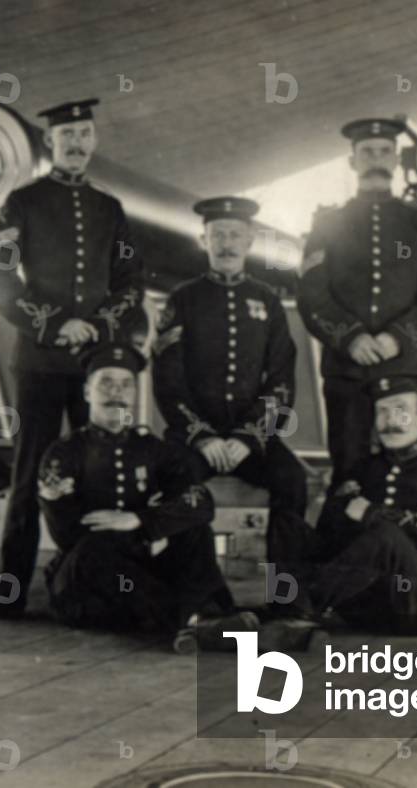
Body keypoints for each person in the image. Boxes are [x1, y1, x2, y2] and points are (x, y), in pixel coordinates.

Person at [0, 98, 145, 619]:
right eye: (66, 134)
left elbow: (130, 284)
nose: (76, 143)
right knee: (29, 477)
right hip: (40, 363)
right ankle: (8, 594)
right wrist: (54, 325)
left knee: (100, 474)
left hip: (97, 366)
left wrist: (96, 327)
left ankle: (93, 588)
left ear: (94, 141)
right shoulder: (19, 205)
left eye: (84, 134)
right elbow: (0, 279)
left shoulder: (109, 209)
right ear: (50, 142)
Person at [39, 343, 257, 653]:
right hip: (89, 589)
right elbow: (67, 536)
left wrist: (140, 520)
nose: (117, 391)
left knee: (194, 530)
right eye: (106, 382)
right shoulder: (63, 453)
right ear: (87, 392)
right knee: (93, 548)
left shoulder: (154, 449)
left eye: (126, 384)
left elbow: (200, 503)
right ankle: (198, 621)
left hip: (141, 576)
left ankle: (204, 620)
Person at [298, 117, 417, 485]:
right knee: (349, 468)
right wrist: (350, 337)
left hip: (401, 370)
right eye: (366, 152)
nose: (376, 159)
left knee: (408, 468)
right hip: (346, 372)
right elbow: (310, 292)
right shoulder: (328, 224)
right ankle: (348, 541)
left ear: (396, 160)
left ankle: (406, 542)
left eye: (384, 152)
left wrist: (396, 337)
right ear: (352, 162)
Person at [152, 196, 306, 561]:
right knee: (177, 483)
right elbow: (167, 379)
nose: (226, 244)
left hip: (251, 439)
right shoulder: (182, 299)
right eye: (217, 235)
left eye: (235, 235)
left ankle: (286, 600)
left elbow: (282, 380)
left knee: (293, 482)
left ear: (250, 241)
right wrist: (202, 437)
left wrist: (249, 437)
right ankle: (197, 597)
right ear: (203, 241)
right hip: (194, 440)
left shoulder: (266, 300)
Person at [268, 374, 417, 636]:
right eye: (382, 412)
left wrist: (370, 512)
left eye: (401, 411)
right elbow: (328, 535)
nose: (390, 421)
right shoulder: (363, 469)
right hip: (364, 606)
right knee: (287, 523)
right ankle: (287, 607)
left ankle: (296, 611)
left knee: (384, 536)